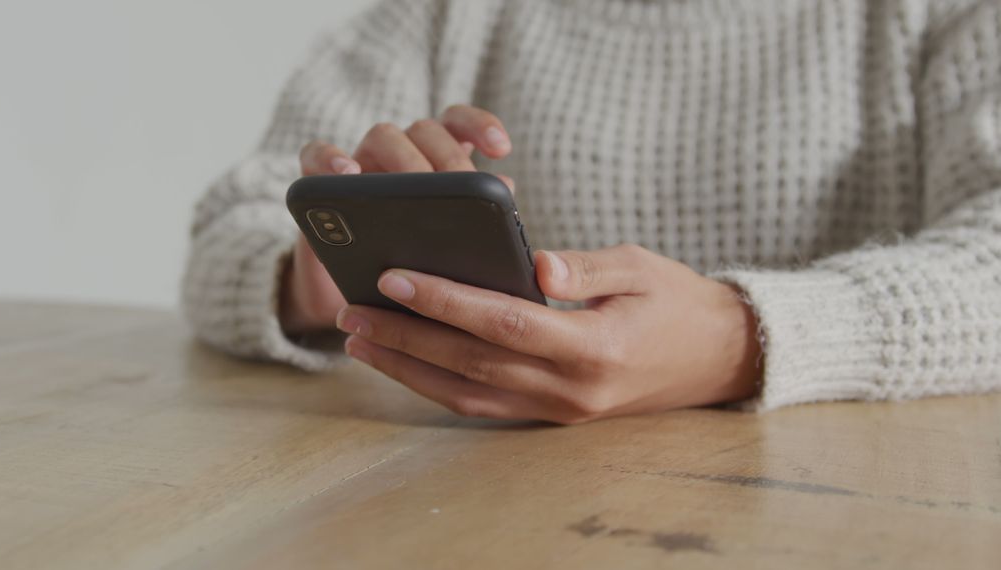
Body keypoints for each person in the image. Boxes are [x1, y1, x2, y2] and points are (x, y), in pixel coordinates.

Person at [182, 0, 1001, 424]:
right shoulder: (444, 15)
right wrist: (316, 274)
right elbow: (226, 238)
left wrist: (741, 337)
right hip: (479, 514)